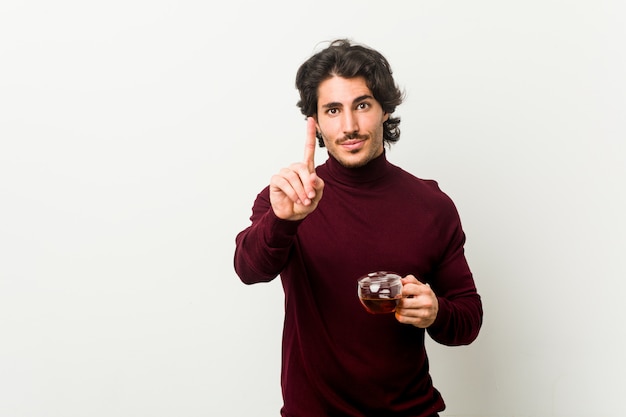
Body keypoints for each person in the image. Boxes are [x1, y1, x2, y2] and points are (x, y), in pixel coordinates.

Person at [233, 39, 482, 417]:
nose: (349, 126)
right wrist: (282, 221)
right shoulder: (288, 198)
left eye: (362, 105)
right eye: (333, 110)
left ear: (385, 110)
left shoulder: (432, 206)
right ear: (315, 122)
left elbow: (467, 319)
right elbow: (249, 270)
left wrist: (437, 313)